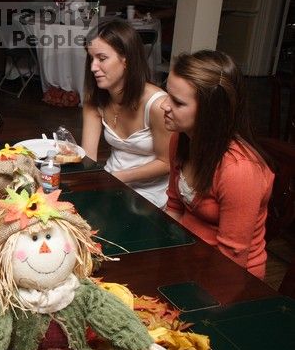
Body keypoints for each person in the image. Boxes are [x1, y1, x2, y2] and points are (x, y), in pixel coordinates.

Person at [162, 50, 274, 279]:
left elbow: (231, 260)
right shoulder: (180, 138)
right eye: (167, 94)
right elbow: (174, 206)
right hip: (187, 258)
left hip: (225, 276)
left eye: (178, 102)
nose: (164, 105)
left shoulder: (239, 171)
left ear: (210, 112)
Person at [81, 19, 170, 208]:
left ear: (126, 60)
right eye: (91, 58)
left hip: (150, 195)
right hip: (110, 183)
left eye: (102, 58)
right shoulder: (95, 100)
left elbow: (167, 163)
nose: (93, 67)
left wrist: (117, 178)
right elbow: (88, 159)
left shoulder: (158, 105)